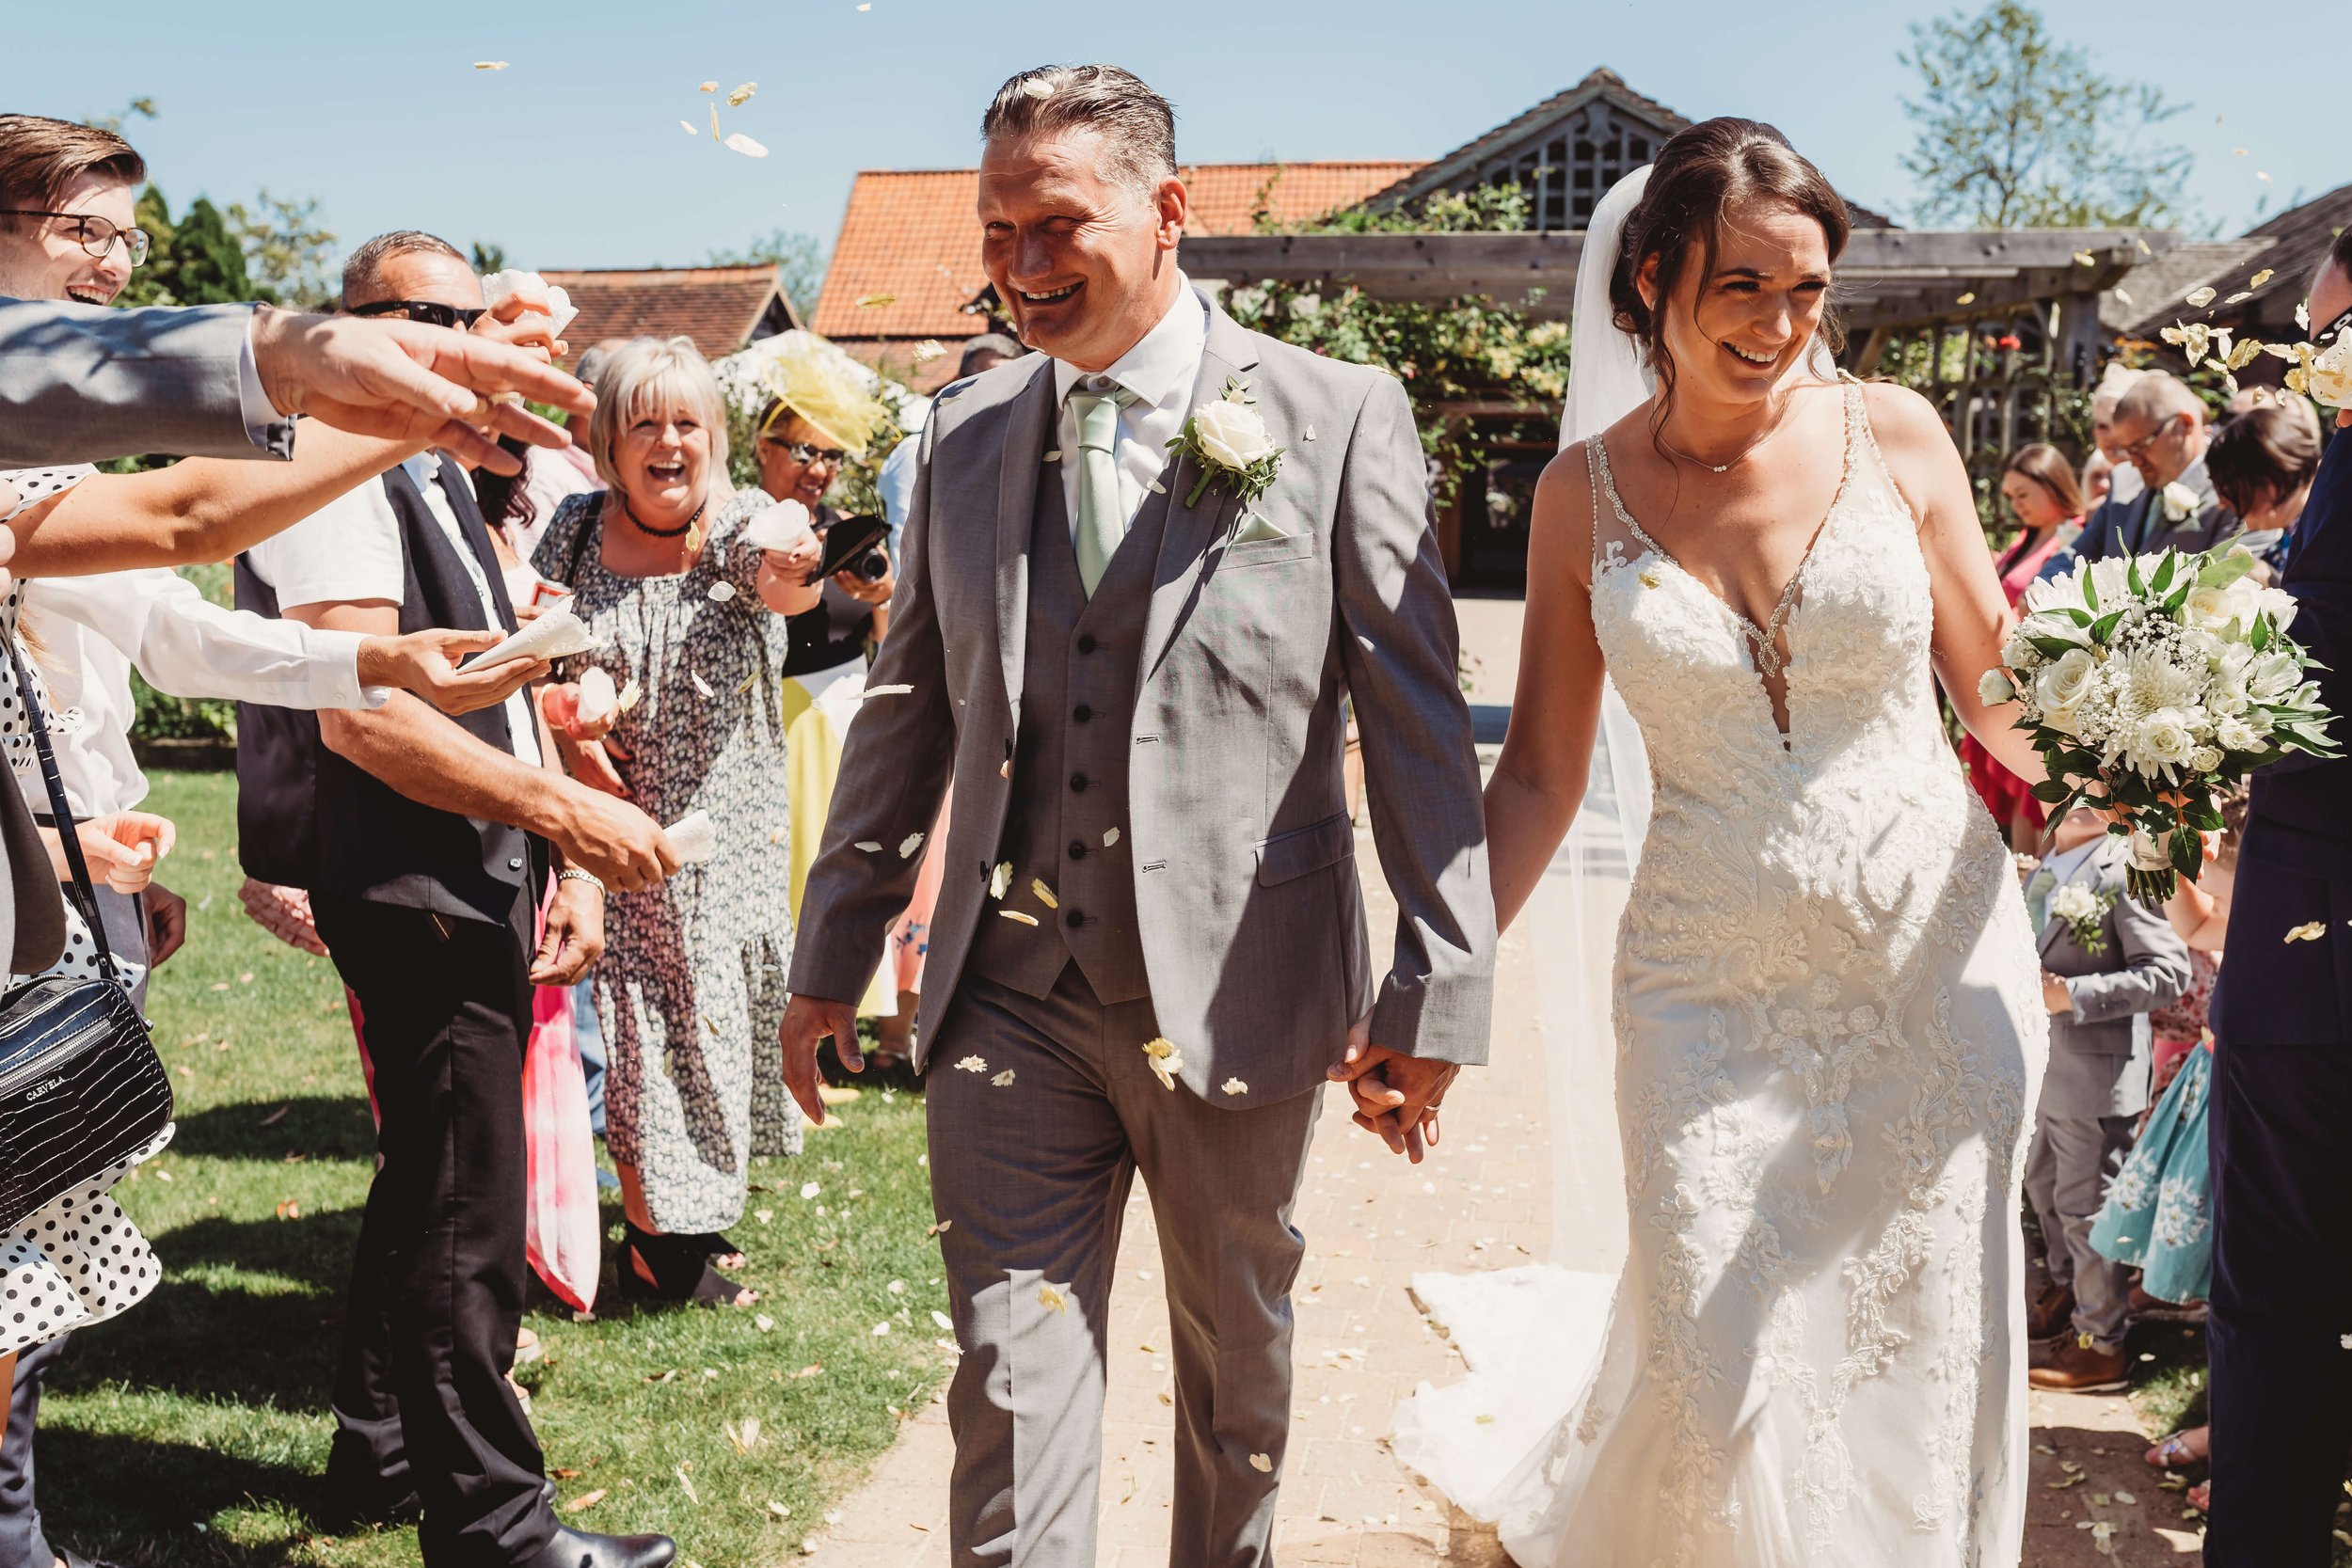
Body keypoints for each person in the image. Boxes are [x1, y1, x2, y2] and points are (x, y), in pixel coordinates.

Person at [778, 64, 1494, 1568]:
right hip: (1006, 994)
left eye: (1056, 224)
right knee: (1010, 1383)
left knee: (1237, 1377)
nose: (1022, 263)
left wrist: (1437, 984)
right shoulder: (962, 436)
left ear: (1169, 210)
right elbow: (909, 708)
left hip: (1246, 985)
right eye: (997, 231)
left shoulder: (1335, 417)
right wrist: (832, 946)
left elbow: (1419, 723)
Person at [1438, 126, 2049, 1563]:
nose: (1780, 323)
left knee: (1916, 1340)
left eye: (1807, 289)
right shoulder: (1579, 496)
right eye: (1744, 285)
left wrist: (2151, 758)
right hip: (1700, 987)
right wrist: (1438, 984)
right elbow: (1539, 773)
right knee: (1711, 1355)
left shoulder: (1898, 433)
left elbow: (1998, 692)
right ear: (1654, 278)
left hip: (1931, 965)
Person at [232, 230, 680, 1568]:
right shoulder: (332, 459)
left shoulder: (428, 463)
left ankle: (377, 1453)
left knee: (432, 1185)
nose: (454, 338)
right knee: (465, 1216)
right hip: (406, 874)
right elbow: (365, 717)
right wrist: (567, 818)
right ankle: (493, 1526)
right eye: (421, 316)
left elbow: (490, 686)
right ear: (353, 325)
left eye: (465, 316)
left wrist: (556, 854)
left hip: (466, 867)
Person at [531, 336, 822, 1305]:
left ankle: (688, 1214)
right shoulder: (574, 529)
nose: (668, 442)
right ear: (609, 442)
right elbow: (531, 656)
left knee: (713, 1021)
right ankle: (658, 1250)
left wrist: (801, 564)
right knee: (644, 1025)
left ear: (714, 436)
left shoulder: (739, 523)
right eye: (644, 422)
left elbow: (783, 582)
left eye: (687, 422)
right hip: (611, 834)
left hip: (725, 845)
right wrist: (571, 739)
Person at [2201, 237, 2352, 1568]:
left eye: (2334, 335)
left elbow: (2322, 676)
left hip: (2317, 927)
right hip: (2306, 922)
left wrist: (2218, 646)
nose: (2319, 366)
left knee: (2279, 1296)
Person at [712, 330, 907, 1032]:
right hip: (773, 717)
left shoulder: (849, 530)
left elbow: (888, 637)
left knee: (847, 870)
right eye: (803, 450)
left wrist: (880, 593)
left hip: (847, 713)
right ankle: (773, 1021)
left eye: (830, 455)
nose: (818, 468)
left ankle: (838, 1022)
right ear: (763, 449)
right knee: (786, 869)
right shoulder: (736, 530)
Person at [2020, 802, 2192, 1391]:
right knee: (2044, 1191)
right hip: (2045, 1068)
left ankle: (2102, 1344)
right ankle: (2071, 1296)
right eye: (2066, 783)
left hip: (2096, 1074)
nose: (2078, 796)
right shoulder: (2046, 866)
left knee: (2087, 1209)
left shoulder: (2126, 868)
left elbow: (2168, 972)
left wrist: (2071, 994)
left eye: (2094, 781)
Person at [1960, 443, 2082, 846]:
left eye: (2024, 494)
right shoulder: (2024, 540)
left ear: (2053, 485)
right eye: (2011, 496)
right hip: (2004, 676)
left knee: (2035, 795)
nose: (2017, 505)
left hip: (2042, 682)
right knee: (2014, 798)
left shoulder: (2074, 535)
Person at [2041, 371, 2237, 579]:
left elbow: (2225, 580)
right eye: (2127, 449)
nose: (2134, 461)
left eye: (2140, 446)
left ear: (2184, 425)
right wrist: (2042, 584)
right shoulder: (2123, 480)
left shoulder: (2232, 492)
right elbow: (2078, 554)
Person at [877, 333, 1021, 558]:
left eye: (1013, 387)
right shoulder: (918, 451)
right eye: (988, 383)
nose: (1001, 398)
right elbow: (905, 555)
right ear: (959, 383)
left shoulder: (1019, 453)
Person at [2205, 398, 2320, 575]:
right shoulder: (2303, 519)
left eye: (2228, 490)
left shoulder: (2332, 520)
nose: (2221, 504)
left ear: (2268, 485)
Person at [2088, 361, 2147, 509]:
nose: (2110, 436)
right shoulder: (2097, 468)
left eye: (2117, 425)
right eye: (2102, 426)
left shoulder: (2153, 478)